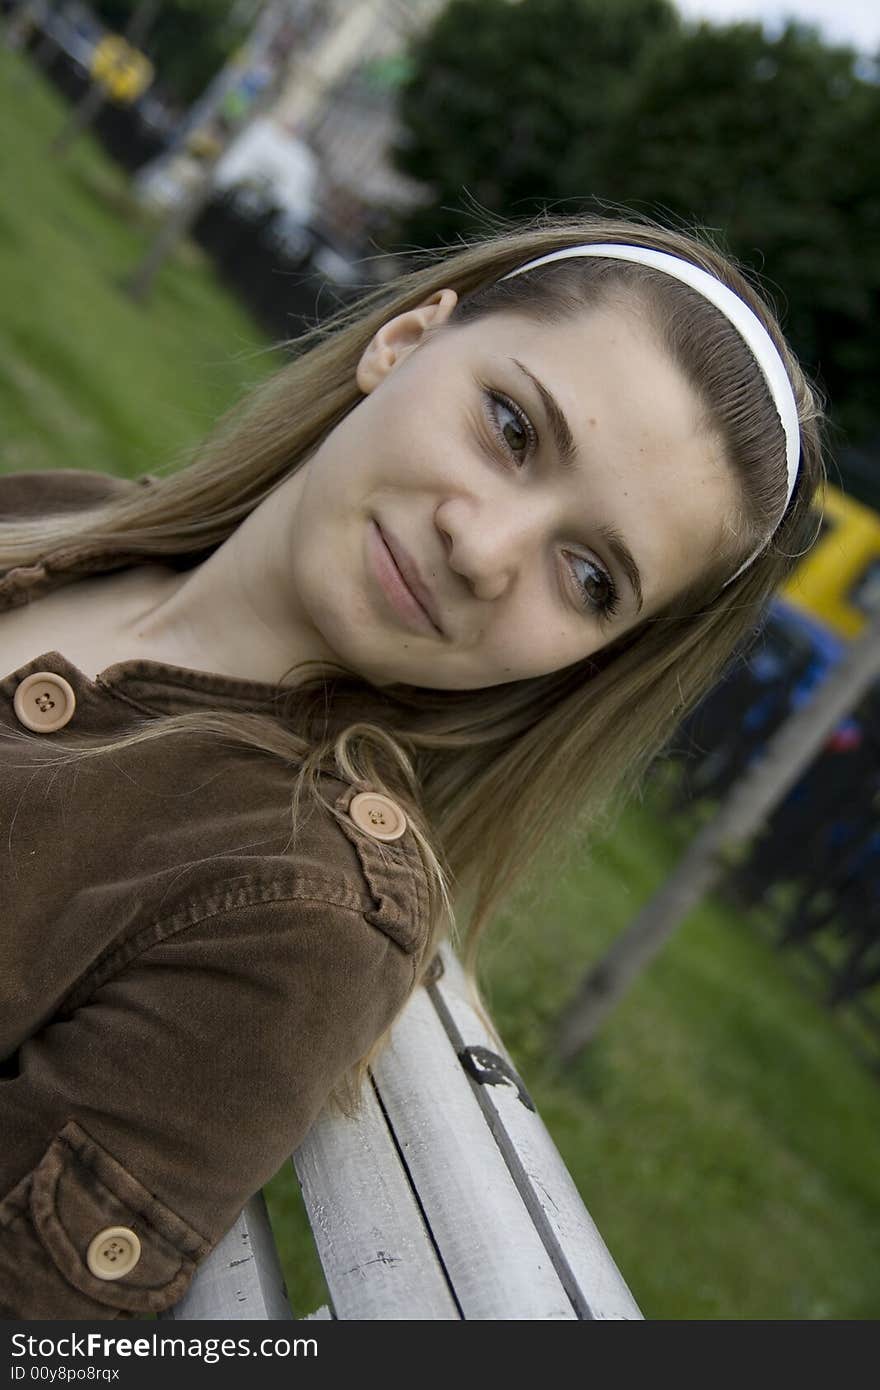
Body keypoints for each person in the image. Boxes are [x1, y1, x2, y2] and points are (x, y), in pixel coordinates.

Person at [0, 214, 825, 1318]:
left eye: (587, 578)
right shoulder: (59, 514)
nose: (482, 552)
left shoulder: (297, 908)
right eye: (510, 427)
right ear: (403, 336)